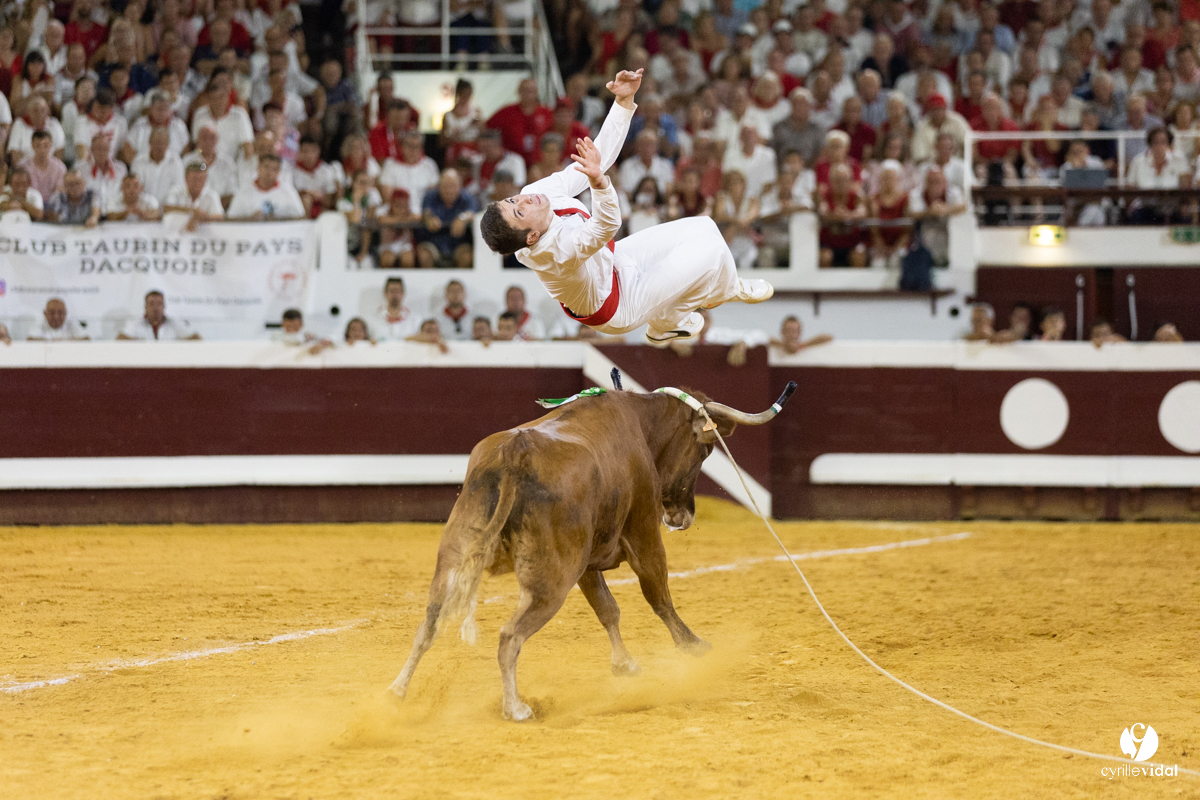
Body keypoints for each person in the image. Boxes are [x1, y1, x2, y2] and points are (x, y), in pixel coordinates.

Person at [480, 69, 773, 344]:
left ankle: (669, 321)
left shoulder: (534, 193)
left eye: (511, 200)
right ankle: (719, 294)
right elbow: (607, 225)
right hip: (619, 307)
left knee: (706, 227)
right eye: (519, 211)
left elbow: (598, 158)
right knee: (710, 253)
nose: (522, 199)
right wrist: (598, 181)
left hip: (616, 262)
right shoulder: (556, 253)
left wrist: (623, 102)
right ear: (531, 237)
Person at [418, 169, 478, 269]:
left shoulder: (468, 197)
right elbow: (426, 213)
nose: (449, 190)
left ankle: (459, 283)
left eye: (453, 186)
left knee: (467, 256)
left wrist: (462, 218)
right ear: (439, 186)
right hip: (434, 242)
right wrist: (430, 219)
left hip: (459, 244)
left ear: (460, 186)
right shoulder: (430, 196)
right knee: (424, 255)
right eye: (445, 186)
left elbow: (473, 212)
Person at [227, 154, 305, 220]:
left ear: (279, 172)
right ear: (258, 167)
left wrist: (277, 219)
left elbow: (301, 218)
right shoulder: (244, 191)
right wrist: (250, 219)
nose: (269, 172)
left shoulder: (288, 191)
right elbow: (230, 219)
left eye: (274, 169)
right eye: (266, 167)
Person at [130, 128, 185, 204]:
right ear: (150, 143)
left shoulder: (176, 162)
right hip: (143, 207)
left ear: (168, 145)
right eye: (156, 142)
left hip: (168, 208)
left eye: (163, 143)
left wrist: (167, 204)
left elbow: (178, 187)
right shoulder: (138, 161)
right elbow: (136, 186)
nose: (160, 146)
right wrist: (150, 205)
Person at [164, 163, 226, 231]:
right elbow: (166, 208)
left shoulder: (212, 195)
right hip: (175, 234)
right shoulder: (176, 192)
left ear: (206, 180)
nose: (198, 182)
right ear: (186, 179)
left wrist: (198, 217)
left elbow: (220, 217)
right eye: (194, 179)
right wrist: (192, 211)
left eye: (201, 179)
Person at [117, 290, 201, 340]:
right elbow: (120, 339)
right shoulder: (137, 324)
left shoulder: (174, 323)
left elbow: (196, 338)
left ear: (164, 306)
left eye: (159, 304)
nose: (155, 308)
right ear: (146, 307)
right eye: (151, 304)